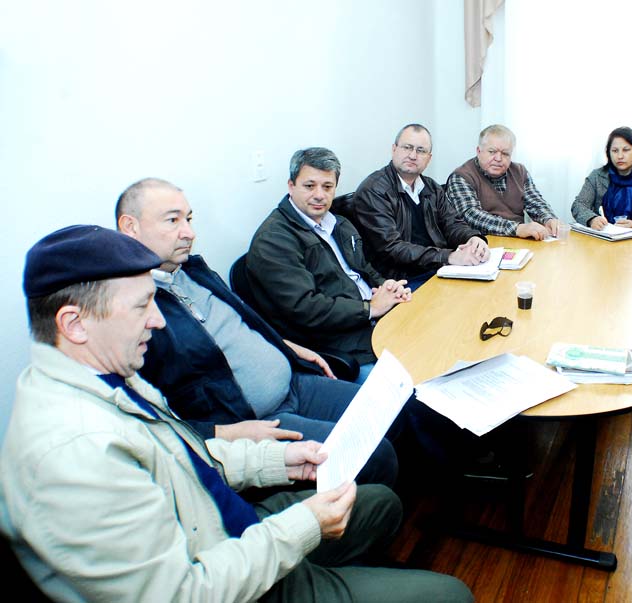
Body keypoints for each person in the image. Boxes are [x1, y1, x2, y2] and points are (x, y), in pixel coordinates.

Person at [0, 224, 473, 602]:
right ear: (74, 324)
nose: (158, 320)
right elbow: (183, 594)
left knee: (382, 504)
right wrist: (304, 527)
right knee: (453, 595)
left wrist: (275, 461)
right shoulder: (76, 454)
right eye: (142, 306)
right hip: (228, 579)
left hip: (219, 524)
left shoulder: (106, 375)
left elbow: (182, 457)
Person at [115, 178, 397, 487]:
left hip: (295, 382)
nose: (189, 233)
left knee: (390, 408)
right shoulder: (129, 310)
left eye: (189, 219)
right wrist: (223, 433)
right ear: (130, 227)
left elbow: (244, 323)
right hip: (254, 420)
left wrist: (287, 346)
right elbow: (149, 423)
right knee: (375, 454)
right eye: (173, 221)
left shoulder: (193, 271)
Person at [246, 148, 412, 384]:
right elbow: (306, 308)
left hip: (374, 323)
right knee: (407, 389)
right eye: (309, 186)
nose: (319, 195)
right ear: (291, 186)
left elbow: (364, 269)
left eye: (327, 187)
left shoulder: (339, 223)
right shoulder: (273, 240)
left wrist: (387, 288)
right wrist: (370, 308)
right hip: (339, 345)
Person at [350, 123, 490, 288]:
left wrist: (473, 238)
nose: (413, 155)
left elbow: (452, 223)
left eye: (421, 150)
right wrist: (449, 257)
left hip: (438, 269)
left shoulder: (431, 187)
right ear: (394, 149)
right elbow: (391, 248)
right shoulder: (374, 190)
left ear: (429, 158)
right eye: (407, 147)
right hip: (399, 281)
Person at [445, 124, 560, 240]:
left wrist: (549, 219)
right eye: (492, 151)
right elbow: (472, 216)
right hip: (481, 243)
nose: (498, 158)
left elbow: (535, 203)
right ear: (479, 151)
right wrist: (517, 229)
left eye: (505, 154)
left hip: (518, 241)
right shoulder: (461, 177)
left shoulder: (520, 171)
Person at [570, 126, 632, 238]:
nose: (620, 156)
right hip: (601, 239)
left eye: (626, 150)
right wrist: (592, 219)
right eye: (615, 151)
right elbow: (578, 205)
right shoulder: (597, 177)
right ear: (609, 153)